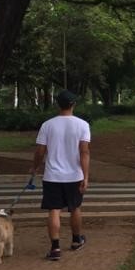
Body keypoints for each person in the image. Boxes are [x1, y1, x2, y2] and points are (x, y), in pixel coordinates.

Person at [30, 89, 91, 261]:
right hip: (74, 175)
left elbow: (40, 151)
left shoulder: (47, 125)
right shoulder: (82, 125)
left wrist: (34, 168)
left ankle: (55, 248)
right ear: (73, 105)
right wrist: (86, 177)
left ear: (58, 104)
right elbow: (84, 152)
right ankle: (76, 240)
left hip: (52, 176)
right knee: (75, 208)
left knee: (54, 210)